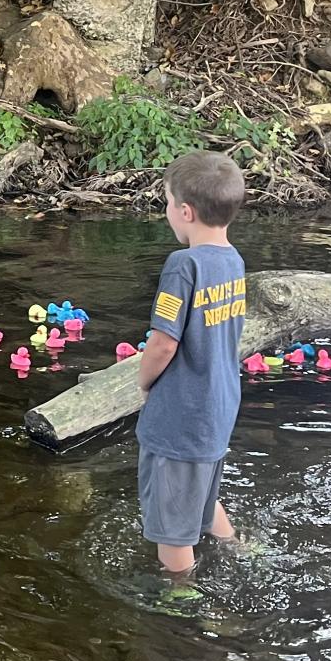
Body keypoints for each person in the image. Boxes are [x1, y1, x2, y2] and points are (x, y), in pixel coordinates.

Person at [135, 150, 248, 575]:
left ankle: (181, 596)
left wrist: (144, 384)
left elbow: (163, 343)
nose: (167, 211)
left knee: (172, 527)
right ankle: (238, 549)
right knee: (199, 491)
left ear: (185, 211)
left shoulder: (183, 265)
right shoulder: (233, 260)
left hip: (181, 413)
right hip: (218, 408)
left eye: (166, 203)